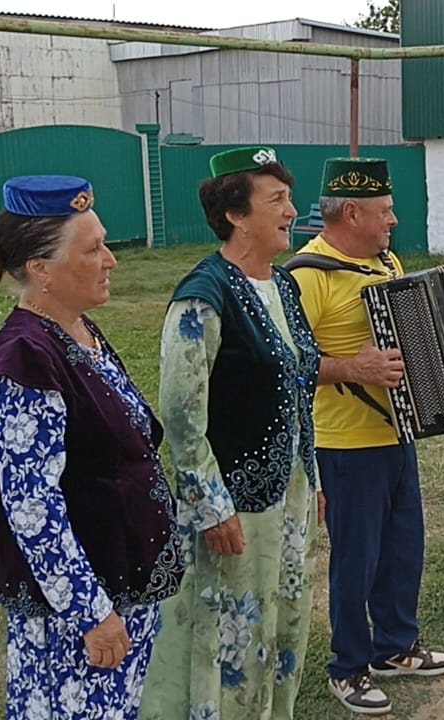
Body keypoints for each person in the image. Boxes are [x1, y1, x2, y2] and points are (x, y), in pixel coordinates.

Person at [286, 157, 444, 716]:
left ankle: (395, 646)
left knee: (403, 544)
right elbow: (288, 362)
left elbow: (421, 334)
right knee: (356, 558)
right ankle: (349, 666)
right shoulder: (307, 275)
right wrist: (352, 368)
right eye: (385, 211)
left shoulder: (386, 262)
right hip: (343, 442)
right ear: (352, 211)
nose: (394, 220)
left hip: (397, 430)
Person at [0, 175, 183, 720]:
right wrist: (91, 613)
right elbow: (32, 509)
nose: (110, 260)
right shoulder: (25, 359)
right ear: (41, 268)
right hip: (78, 614)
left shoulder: (76, 329)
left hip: (123, 590)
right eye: (92, 250)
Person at [139, 147, 322, 720]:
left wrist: (311, 477)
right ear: (237, 215)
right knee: (233, 634)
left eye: (289, 198)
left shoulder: (284, 288)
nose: (291, 210)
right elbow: (182, 412)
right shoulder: (204, 294)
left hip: (289, 494)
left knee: (285, 624)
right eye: (277, 200)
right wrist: (210, 504)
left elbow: (300, 377)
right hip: (235, 505)